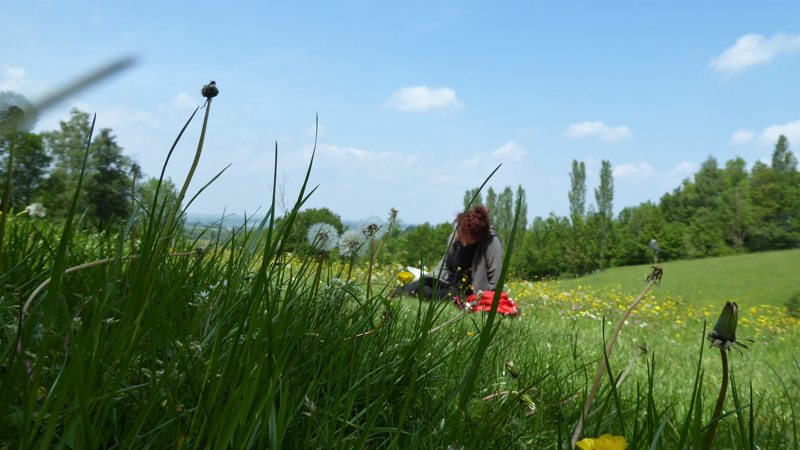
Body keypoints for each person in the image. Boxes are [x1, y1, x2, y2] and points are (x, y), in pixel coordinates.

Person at [403, 205, 503, 300]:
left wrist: (481, 300)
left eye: (462, 233)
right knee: (418, 285)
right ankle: (395, 295)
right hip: (447, 283)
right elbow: (444, 265)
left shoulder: (492, 243)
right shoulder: (455, 240)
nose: (458, 235)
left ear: (474, 235)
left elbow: (495, 281)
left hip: (467, 292)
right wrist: (429, 278)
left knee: (426, 292)